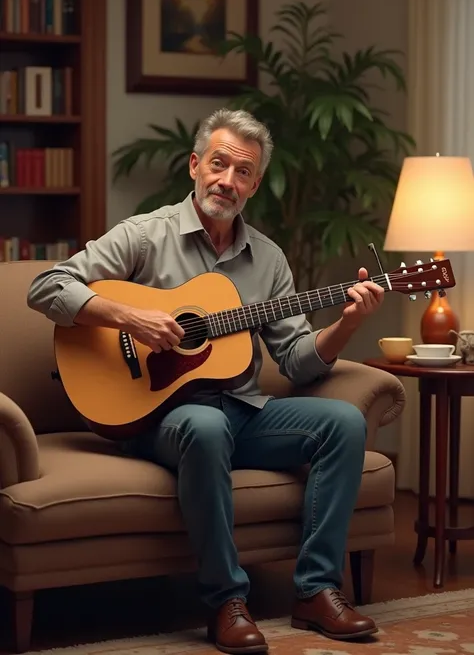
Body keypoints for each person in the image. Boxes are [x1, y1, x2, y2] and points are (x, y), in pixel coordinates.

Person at [27, 108, 385, 654]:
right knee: (205, 424)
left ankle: (316, 591)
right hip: (160, 416)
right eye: (219, 165)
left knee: (342, 421)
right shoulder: (147, 235)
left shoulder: (267, 259)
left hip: (243, 410)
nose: (228, 181)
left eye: (243, 173)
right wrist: (131, 317)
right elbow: (47, 286)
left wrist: (347, 323)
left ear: (256, 184)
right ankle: (226, 601)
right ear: (196, 165)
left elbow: (295, 359)